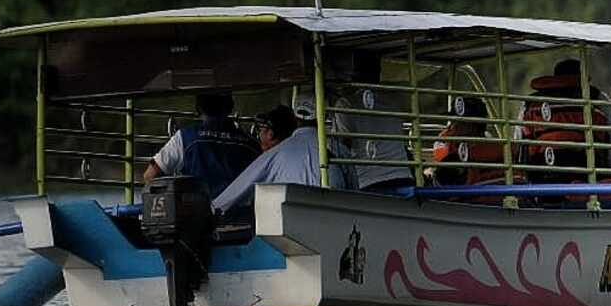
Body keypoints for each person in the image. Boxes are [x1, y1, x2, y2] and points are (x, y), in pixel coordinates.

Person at [211, 105, 354, 216]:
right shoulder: (340, 150)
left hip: (294, 226)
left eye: (262, 130)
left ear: (271, 133)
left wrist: (211, 208)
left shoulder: (275, 154)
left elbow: (234, 193)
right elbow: (355, 194)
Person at [143, 93, 260, 199]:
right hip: (239, 215)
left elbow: (150, 175)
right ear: (230, 107)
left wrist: (176, 200)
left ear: (198, 108)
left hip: (196, 214)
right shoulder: (251, 145)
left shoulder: (185, 138)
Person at [332, 51, 414, 193]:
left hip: (368, 181)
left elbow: (343, 145)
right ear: (378, 73)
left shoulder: (346, 103)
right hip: (403, 177)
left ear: (354, 73)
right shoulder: (393, 100)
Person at [518, 59, 610, 183]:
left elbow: (520, 141)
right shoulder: (597, 97)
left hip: (542, 172)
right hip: (587, 173)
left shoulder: (530, 102)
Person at [430, 96, 510, 188]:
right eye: (452, 121)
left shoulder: (490, 151)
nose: (452, 126)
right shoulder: (498, 149)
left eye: (457, 121)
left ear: (472, 125)